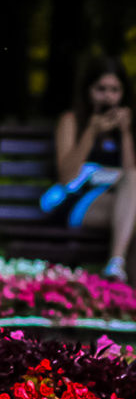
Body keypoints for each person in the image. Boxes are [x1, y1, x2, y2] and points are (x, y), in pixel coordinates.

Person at [47, 54, 136, 279]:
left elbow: (130, 175)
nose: (108, 97)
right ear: (88, 90)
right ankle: (117, 269)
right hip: (76, 200)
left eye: (115, 90)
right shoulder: (72, 121)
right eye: (101, 89)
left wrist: (125, 133)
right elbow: (66, 177)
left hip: (118, 203)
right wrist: (91, 132)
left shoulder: (123, 127)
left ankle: (117, 273)